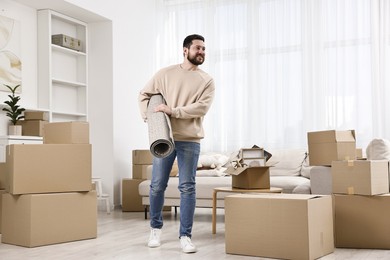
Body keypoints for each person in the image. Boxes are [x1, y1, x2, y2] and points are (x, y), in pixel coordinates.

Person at [138, 34, 215, 253]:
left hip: (190, 139)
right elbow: (144, 94)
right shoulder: (165, 74)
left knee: (187, 187)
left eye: (204, 49)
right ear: (185, 50)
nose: (201, 52)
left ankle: (185, 236)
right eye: (198, 48)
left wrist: (174, 111)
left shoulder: (206, 80)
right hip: (164, 139)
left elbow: (202, 108)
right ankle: (155, 229)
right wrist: (150, 118)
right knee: (156, 185)